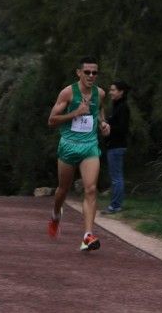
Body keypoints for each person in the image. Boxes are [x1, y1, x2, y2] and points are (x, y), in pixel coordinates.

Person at [47, 56, 110, 251]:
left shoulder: (100, 94)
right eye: (87, 72)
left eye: (94, 72)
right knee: (62, 190)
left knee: (90, 189)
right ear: (79, 73)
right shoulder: (67, 93)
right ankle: (56, 214)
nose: (91, 76)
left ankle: (87, 236)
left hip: (90, 146)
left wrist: (103, 123)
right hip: (68, 145)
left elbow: (99, 111)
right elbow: (51, 120)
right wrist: (74, 113)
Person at [101, 81, 131, 214]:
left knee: (116, 177)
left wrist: (109, 127)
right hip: (113, 146)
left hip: (117, 147)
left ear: (121, 92)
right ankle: (115, 204)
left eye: (113, 90)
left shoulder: (123, 107)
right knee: (116, 176)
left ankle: (116, 205)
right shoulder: (117, 106)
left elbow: (123, 128)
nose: (110, 92)